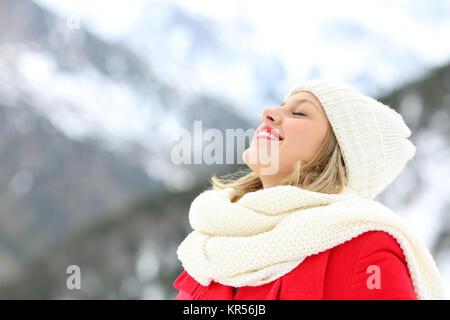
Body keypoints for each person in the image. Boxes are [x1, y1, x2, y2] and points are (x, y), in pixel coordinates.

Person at [173, 79, 446, 300]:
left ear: (336, 155)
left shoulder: (366, 247)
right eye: (281, 106)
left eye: (299, 112)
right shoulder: (211, 243)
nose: (268, 113)